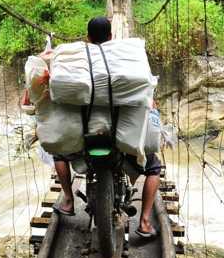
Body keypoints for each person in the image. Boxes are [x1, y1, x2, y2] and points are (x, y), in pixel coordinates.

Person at [52, 16, 161, 238]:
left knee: (58, 154)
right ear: (111, 37)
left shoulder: (76, 63)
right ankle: (145, 221)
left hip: (85, 134)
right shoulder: (128, 59)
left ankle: (69, 200)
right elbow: (147, 94)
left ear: (88, 37)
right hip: (120, 135)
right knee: (154, 168)